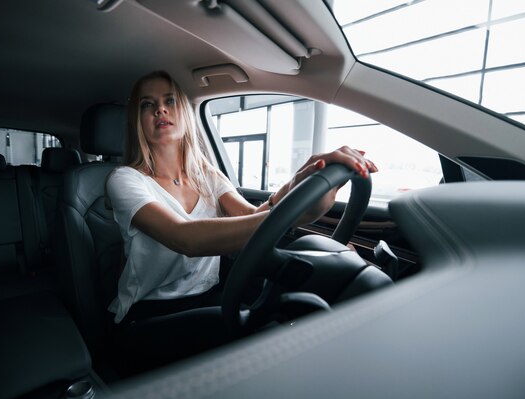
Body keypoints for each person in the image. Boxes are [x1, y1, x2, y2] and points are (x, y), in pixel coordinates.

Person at [106, 70, 377, 325]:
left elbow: (250, 216)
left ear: (185, 114)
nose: (160, 109)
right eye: (147, 104)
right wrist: (292, 214)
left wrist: (299, 181)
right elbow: (185, 238)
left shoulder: (206, 174)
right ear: (138, 121)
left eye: (170, 101)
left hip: (209, 294)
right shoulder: (125, 180)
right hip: (151, 312)